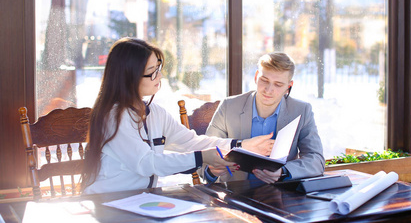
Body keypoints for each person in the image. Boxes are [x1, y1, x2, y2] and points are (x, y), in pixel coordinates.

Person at [81, 37, 274, 194]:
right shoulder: (113, 117)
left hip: (140, 202)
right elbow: (147, 163)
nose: (160, 76)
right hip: (107, 204)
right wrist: (201, 158)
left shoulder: (156, 113)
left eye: (159, 68)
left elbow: (191, 142)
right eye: (152, 72)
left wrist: (239, 146)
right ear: (129, 77)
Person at [200, 52, 325, 184]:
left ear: (288, 87)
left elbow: (316, 159)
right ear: (255, 77)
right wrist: (211, 170)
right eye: (264, 80)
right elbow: (203, 155)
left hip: (283, 195)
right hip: (233, 193)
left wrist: (284, 172)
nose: (268, 90)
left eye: (278, 84)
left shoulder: (302, 110)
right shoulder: (228, 106)